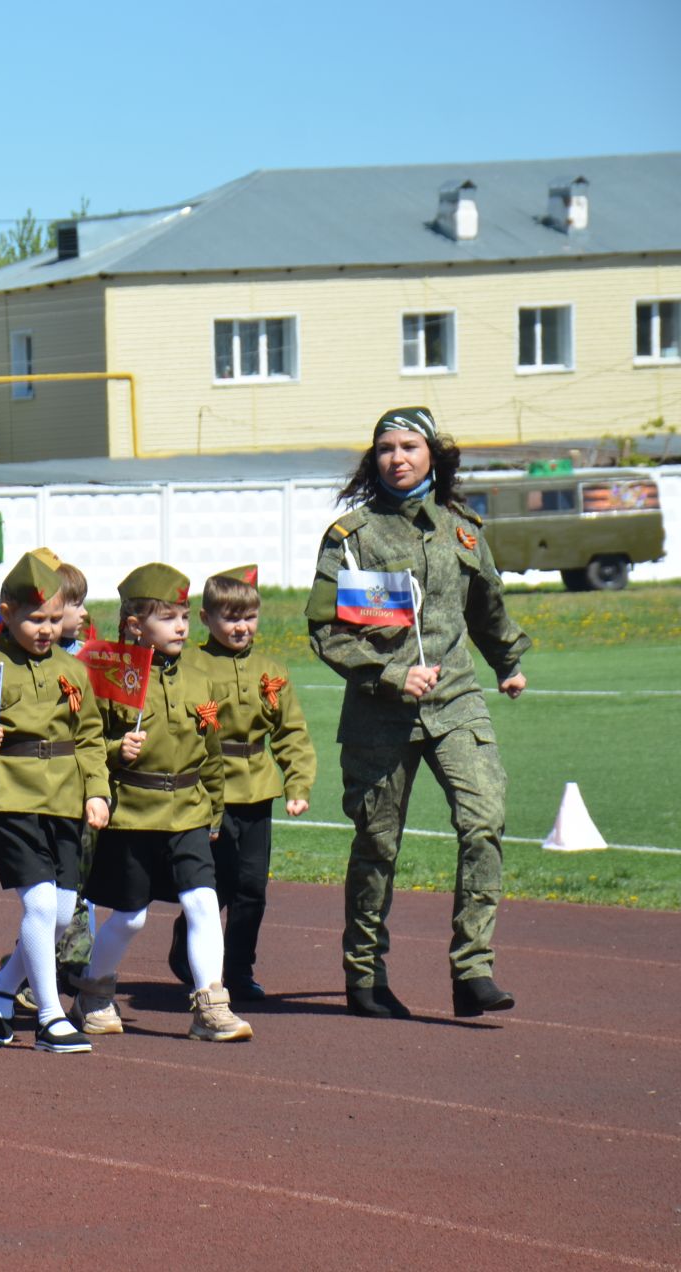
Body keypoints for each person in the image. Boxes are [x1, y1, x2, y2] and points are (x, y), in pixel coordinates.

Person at [307, 406, 528, 1020]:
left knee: (485, 820)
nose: (396, 458)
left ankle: (473, 970)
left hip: (457, 700)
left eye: (409, 446)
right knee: (378, 845)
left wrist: (507, 660)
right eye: (385, 448)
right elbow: (325, 631)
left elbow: (486, 606)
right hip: (381, 712)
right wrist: (393, 674)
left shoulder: (462, 529)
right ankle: (365, 976)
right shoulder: (350, 539)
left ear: (434, 454)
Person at [72, 563, 252, 1044]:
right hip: (131, 812)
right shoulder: (109, 673)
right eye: (168, 618)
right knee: (131, 917)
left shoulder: (199, 677)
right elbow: (86, 743)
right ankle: (94, 992)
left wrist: (214, 808)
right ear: (135, 626)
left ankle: (211, 1006)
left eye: (185, 617)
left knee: (203, 902)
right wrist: (116, 750)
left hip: (189, 810)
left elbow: (210, 749)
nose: (180, 627)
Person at [0, 555, 109, 1053]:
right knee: (38, 904)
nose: (45, 630)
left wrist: (97, 789)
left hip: (64, 798)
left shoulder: (72, 670)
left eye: (55, 620)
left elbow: (91, 737)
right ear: (7, 612)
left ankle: (0, 986)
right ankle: (50, 1016)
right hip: (10, 796)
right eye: (35, 619)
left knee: (60, 915)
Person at [173, 566, 316, 999]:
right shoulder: (189, 663)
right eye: (230, 617)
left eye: (249, 617)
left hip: (256, 788)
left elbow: (290, 732)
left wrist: (298, 784)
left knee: (252, 887)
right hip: (207, 790)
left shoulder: (270, 669)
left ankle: (238, 971)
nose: (241, 627)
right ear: (205, 618)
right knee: (211, 884)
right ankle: (192, 949)